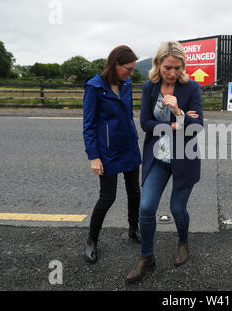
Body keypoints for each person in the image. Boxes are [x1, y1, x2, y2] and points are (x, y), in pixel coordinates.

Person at [126, 41, 203, 282]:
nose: (172, 73)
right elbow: (145, 123)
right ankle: (146, 257)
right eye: (168, 67)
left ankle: (183, 242)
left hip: (184, 157)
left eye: (178, 68)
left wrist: (179, 112)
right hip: (158, 157)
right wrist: (173, 125)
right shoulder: (149, 87)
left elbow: (197, 126)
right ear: (158, 63)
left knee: (177, 208)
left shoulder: (191, 88)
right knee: (146, 208)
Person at [82, 45, 142, 263]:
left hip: (129, 147)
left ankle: (133, 230)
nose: (131, 73)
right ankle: (91, 240)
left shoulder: (127, 84)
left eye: (133, 69)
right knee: (108, 197)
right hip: (107, 152)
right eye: (128, 68)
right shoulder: (94, 87)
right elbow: (88, 125)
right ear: (115, 64)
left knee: (134, 192)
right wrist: (93, 156)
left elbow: (128, 115)